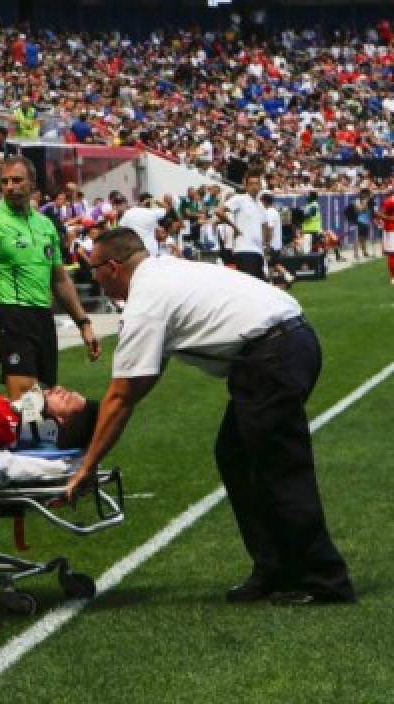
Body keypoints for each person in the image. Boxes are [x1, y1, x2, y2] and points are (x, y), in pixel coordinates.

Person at [65, 228, 355, 606]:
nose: (94, 280)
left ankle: (323, 579)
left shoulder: (147, 300)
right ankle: (274, 568)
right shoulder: (163, 273)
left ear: (114, 267)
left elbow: (122, 396)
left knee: (277, 467)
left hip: (271, 353)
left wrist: (88, 464)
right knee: (235, 456)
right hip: (281, 345)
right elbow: (142, 380)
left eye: (94, 271)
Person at [0, 156, 100, 401]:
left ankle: (37, 440)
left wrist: (83, 323)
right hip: (9, 315)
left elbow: (59, 279)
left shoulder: (46, 225)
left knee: (47, 397)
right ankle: (21, 439)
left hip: (42, 316)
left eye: (17, 180)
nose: (10, 186)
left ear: (33, 184)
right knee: (25, 399)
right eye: (5, 181)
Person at [216, 172, 269, 281]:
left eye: (256, 184)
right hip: (244, 250)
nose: (254, 186)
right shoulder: (240, 199)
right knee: (250, 285)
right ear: (246, 185)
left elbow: (264, 226)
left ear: (260, 186)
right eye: (251, 184)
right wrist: (234, 228)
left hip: (258, 251)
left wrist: (265, 244)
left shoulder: (260, 206)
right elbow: (219, 211)